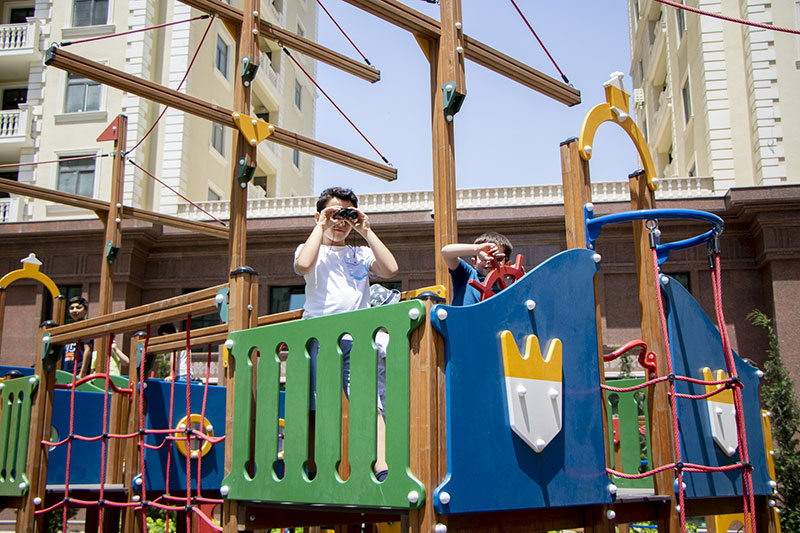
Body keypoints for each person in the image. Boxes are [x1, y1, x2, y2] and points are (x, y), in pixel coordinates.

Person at [294, 187, 398, 482]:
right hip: (319, 338)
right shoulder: (310, 249)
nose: (340, 222)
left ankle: (382, 467)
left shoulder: (360, 253)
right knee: (321, 404)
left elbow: (390, 269)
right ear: (318, 216)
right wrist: (320, 226)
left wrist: (365, 229)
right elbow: (303, 265)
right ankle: (318, 468)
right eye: (334, 214)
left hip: (357, 338)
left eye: (347, 215)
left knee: (368, 401)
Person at [441, 231, 514, 306]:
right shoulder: (467, 275)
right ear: (474, 262)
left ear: (507, 264)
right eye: (484, 258)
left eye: (498, 258)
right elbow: (446, 252)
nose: (490, 261)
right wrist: (477, 249)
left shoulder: (506, 292)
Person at [60, 296, 93, 376]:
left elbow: (87, 349)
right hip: (66, 371)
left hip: (78, 371)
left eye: (78, 308)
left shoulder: (86, 327)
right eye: (71, 308)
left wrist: (82, 372)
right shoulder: (69, 329)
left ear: (86, 310)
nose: (74, 310)